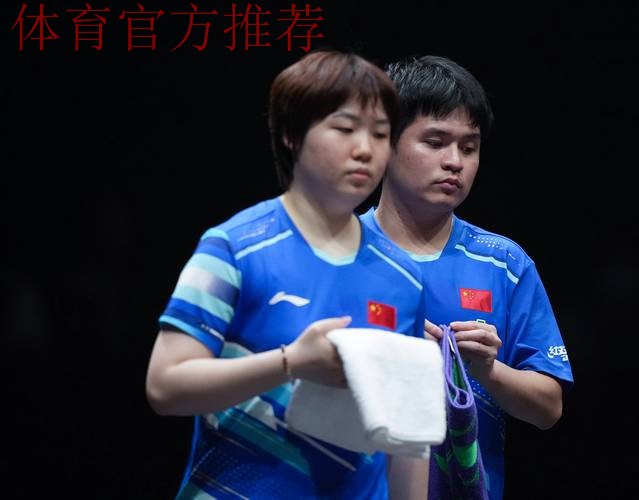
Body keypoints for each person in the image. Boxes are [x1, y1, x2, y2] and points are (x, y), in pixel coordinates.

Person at [146, 49, 429, 499]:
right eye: (344, 128)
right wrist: (290, 362)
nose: (365, 149)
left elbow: (408, 437)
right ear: (292, 135)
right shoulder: (233, 249)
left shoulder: (405, 279)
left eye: (380, 134)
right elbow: (165, 385)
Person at [360, 55, 574, 499]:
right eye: (435, 142)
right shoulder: (335, 254)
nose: (454, 161)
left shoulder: (504, 263)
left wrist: (489, 370)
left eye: (469, 147)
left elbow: (548, 408)